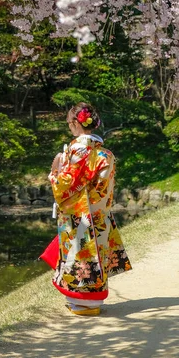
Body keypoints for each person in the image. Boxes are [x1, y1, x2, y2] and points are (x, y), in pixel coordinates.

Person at [48, 102, 132, 316]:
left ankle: (80, 303)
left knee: (78, 256)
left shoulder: (73, 153)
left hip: (78, 218)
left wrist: (54, 173)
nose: (69, 127)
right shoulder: (106, 155)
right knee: (96, 256)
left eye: (69, 123)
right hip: (100, 215)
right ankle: (93, 303)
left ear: (76, 123)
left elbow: (63, 187)